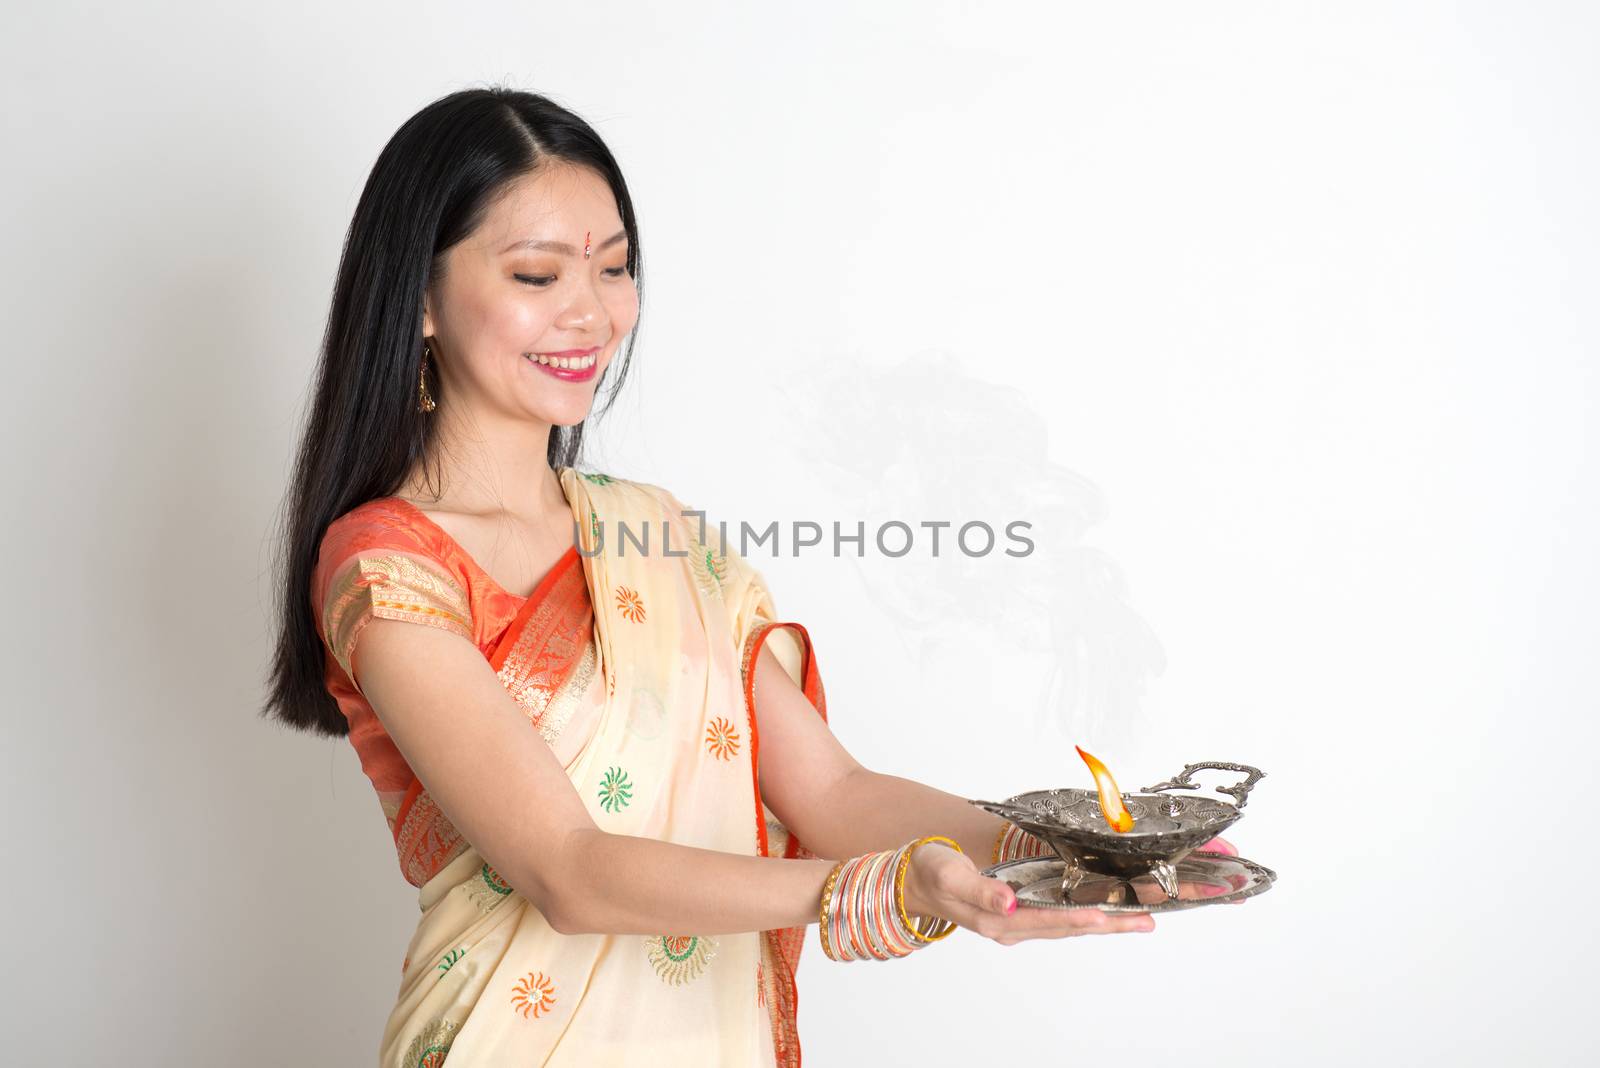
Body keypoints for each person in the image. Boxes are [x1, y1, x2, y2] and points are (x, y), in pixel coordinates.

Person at [262, 86, 1229, 1067]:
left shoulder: (656, 537)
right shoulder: (389, 564)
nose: (592, 313)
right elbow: (567, 871)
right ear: (420, 299)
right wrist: (881, 890)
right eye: (536, 273)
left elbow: (834, 795)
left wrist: (1059, 848)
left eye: (613, 268)